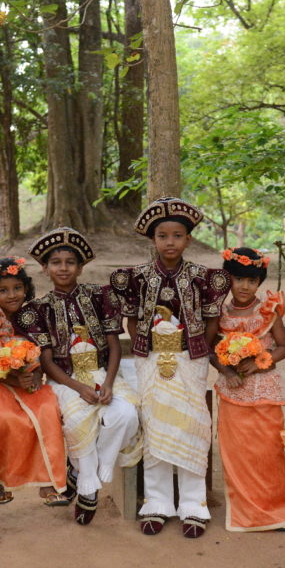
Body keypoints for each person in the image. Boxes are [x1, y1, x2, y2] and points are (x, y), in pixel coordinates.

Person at [110, 197, 231, 538]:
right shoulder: (137, 278)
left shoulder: (203, 278)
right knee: (157, 422)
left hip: (191, 360)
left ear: (188, 239)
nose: (170, 242)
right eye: (163, 236)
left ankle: (194, 504)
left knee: (193, 423)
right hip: (151, 360)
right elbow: (131, 320)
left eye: (177, 235)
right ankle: (157, 502)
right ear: (153, 240)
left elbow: (210, 322)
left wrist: (199, 351)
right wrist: (147, 350)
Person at [30, 227, 141, 525]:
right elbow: (47, 361)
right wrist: (78, 387)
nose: (63, 268)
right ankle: (89, 490)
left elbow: (115, 346)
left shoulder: (100, 295)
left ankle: (86, 472)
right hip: (64, 380)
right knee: (78, 421)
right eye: (56, 262)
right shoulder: (39, 308)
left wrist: (107, 382)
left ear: (80, 267)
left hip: (102, 373)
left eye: (70, 262)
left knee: (127, 415)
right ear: (45, 268)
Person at [210, 247, 285, 532]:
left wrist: (261, 363)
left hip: (266, 389)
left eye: (251, 280)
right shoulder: (220, 312)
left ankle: (276, 511)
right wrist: (226, 370)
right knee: (237, 452)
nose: (245, 286)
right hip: (233, 390)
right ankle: (246, 511)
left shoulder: (268, 310)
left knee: (268, 450)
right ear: (228, 280)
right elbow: (209, 349)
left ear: (259, 282)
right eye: (238, 280)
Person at [0, 256, 68, 506]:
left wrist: (34, 376)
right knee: (2, 418)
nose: (12, 295)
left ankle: (49, 483)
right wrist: (11, 378)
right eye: (3, 290)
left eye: (17, 288)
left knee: (48, 409)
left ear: (26, 288)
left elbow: (44, 354)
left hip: (30, 379)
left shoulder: (34, 314)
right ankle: (1, 481)